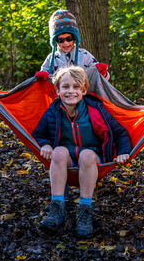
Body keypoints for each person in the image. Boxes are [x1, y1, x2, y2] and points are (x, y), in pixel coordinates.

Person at [31, 66, 132, 238]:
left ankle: (84, 210)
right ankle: (56, 209)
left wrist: (123, 152)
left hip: (92, 159)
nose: (71, 91)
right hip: (67, 160)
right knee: (58, 152)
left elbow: (120, 132)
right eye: (65, 87)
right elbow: (38, 134)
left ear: (84, 90)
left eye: (76, 87)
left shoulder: (95, 109)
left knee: (85, 154)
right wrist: (45, 144)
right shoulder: (52, 112)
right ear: (57, 91)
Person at [35, 9, 110, 81]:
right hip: (59, 93)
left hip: (83, 93)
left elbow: (102, 79)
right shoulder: (51, 58)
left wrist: (103, 73)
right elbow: (43, 78)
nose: (65, 43)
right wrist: (42, 76)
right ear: (55, 41)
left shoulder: (84, 55)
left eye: (69, 38)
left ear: (74, 38)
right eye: (60, 40)